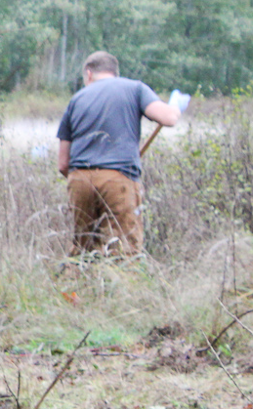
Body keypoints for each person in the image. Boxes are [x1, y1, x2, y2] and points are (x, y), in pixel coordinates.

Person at [56, 52, 180, 256]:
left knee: (83, 249)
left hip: (79, 181)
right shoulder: (135, 88)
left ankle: (77, 285)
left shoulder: (76, 99)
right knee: (125, 248)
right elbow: (168, 118)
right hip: (118, 179)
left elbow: (63, 164)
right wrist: (175, 107)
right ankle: (123, 284)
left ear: (88, 74)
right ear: (115, 73)